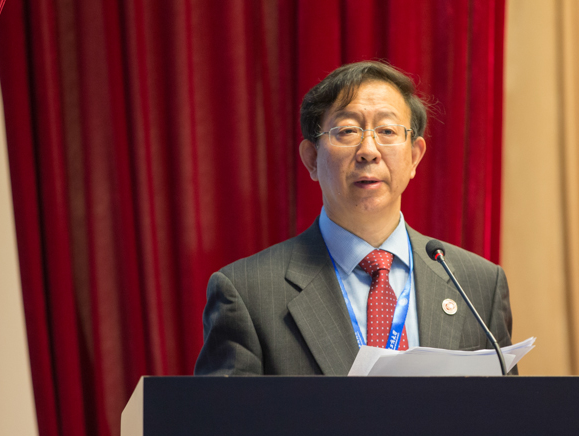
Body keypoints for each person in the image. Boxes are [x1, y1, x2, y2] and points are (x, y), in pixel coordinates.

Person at [194, 61, 514, 376]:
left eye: (387, 131)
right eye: (348, 131)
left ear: (414, 157)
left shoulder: (478, 285)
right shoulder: (248, 292)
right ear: (312, 159)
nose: (369, 150)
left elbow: (504, 408)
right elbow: (228, 412)